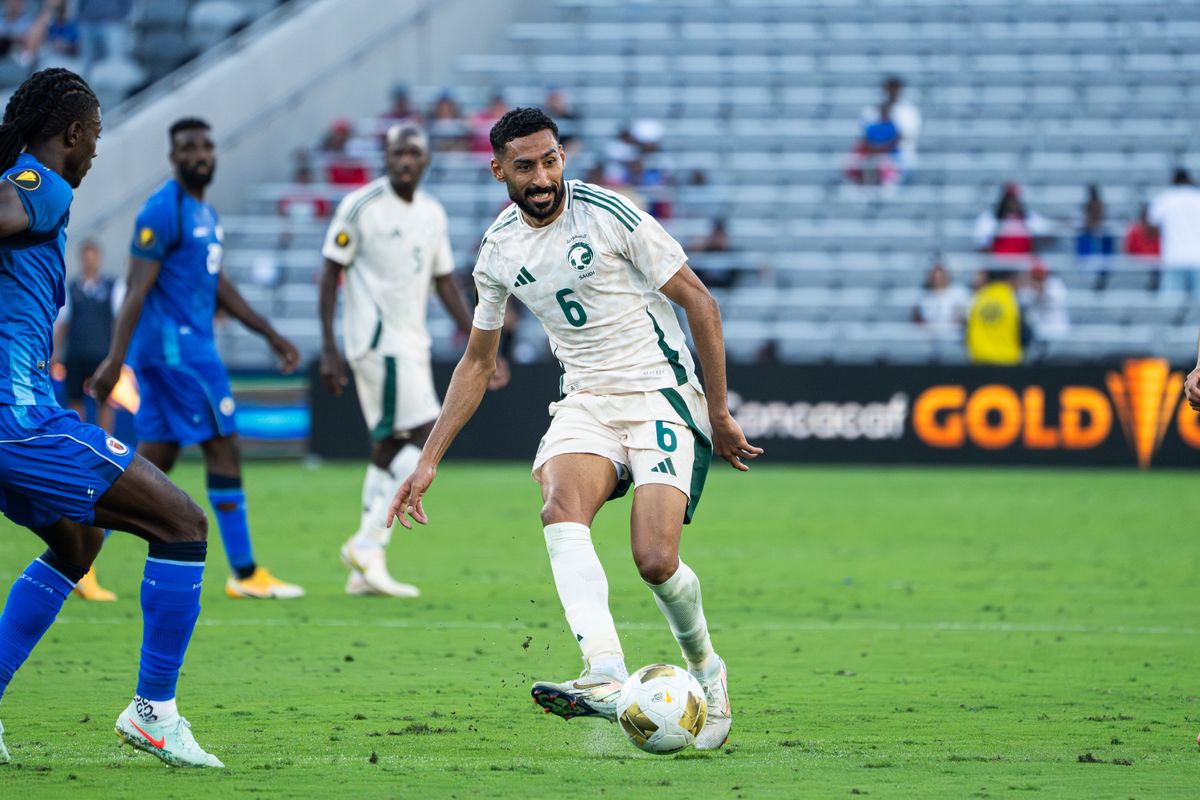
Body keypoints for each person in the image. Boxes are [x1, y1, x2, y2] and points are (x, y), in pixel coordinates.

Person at [387, 108, 762, 749]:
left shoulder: (608, 214)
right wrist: (427, 461)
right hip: (586, 400)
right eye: (526, 166)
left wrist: (720, 413)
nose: (543, 176)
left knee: (654, 560)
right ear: (499, 169)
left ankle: (708, 667)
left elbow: (700, 300)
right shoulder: (499, 248)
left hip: (661, 396)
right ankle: (605, 672)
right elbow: (479, 361)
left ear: (563, 156)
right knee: (560, 507)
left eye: (551, 160)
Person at [0, 68, 221, 768]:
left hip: (17, 416)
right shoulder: (41, 182)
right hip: (20, 422)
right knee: (183, 523)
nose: (95, 151)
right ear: (72, 133)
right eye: (93, 136)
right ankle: (154, 710)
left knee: (77, 545)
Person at [91, 117, 305, 600]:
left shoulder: (204, 214)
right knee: (222, 445)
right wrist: (113, 359)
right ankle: (246, 572)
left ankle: (78, 560)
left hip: (183, 352)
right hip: (178, 354)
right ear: (174, 156)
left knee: (151, 463)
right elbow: (136, 290)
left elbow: (219, 286)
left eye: (206, 146)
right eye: (189, 148)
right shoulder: (163, 210)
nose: (200, 154)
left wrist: (270, 334)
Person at [319, 124, 508, 597]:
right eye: (397, 153)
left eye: (414, 154)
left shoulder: (432, 213)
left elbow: (445, 281)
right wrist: (327, 346)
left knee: (390, 444)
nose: (405, 161)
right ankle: (368, 543)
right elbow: (329, 272)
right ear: (385, 156)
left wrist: (478, 340)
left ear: (425, 161)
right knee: (425, 432)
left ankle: (364, 562)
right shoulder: (361, 206)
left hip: (411, 343)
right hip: (378, 343)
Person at [1148, 169, 1200, 296]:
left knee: (1170, 306)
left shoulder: (1165, 199)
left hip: (1173, 257)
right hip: (1197, 258)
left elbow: (1151, 229)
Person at [973, 183, 1054, 260]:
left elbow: (1046, 234)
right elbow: (981, 244)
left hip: (1024, 264)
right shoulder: (990, 217)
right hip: (998, 266)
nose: (1011, 202)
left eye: (1013, 198)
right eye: (1008, 198)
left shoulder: (1028, 216)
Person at [965, 269, 1028, 365]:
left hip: (980, 356)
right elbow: (1022, 330)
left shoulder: (977, 297)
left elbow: (967, 325)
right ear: (1008, 279)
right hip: (1007, 357)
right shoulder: (1012, 297)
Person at [912, 261, 969, 336]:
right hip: (929, 338)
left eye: (941, 277)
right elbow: (917, 320)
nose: (938, 280)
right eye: (935, 277)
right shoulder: (924, 297)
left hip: (954, 338)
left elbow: (964, 318)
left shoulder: (959, 292)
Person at [1075, 185, 1115, 289]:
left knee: (1106, 238)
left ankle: (1102, 273)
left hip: (1102, 253)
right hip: (1087, 255)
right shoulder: (1083, 231)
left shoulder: (1107, 233)